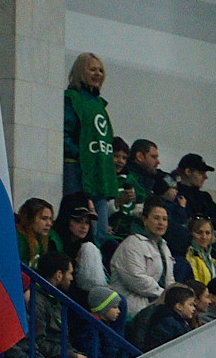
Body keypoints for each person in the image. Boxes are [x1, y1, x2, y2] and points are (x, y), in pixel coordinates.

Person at [62, 53, 120, 228]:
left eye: (101, 70)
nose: (98, 74)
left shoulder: (99, 104)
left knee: (100, 229)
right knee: (79, 222)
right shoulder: (71, 99)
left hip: (98, 172)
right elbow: (64, 134)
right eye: (92, 69)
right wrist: (82, 154)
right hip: (76, 169)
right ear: (80, 71)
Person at [109, 200, 176, 316]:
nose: (161, 223)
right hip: (132, 310)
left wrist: (174, 295)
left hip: (157, 306)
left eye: (164, 219)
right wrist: (167, 295)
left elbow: (169, 280)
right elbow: (137, 280)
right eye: (156, 218)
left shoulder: (164, 246)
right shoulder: (132, 243)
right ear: (145, 220)